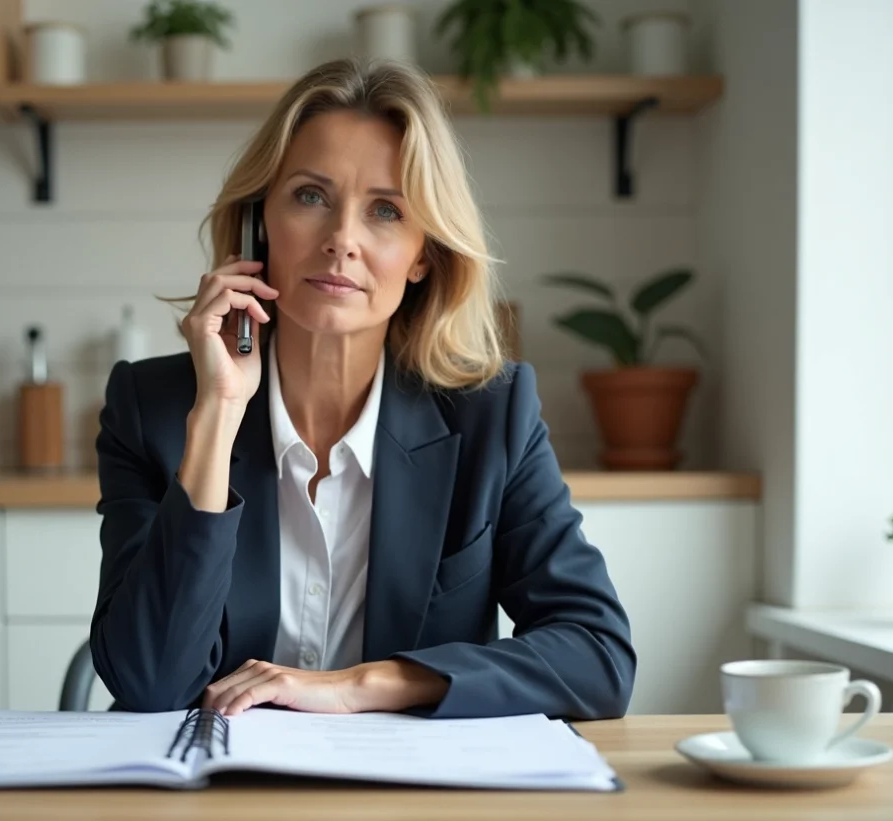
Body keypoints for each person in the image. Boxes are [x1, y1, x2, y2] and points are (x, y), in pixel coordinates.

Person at [91, 57, 635, 720]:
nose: (342, 240)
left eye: (384, 210)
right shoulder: (153, 410)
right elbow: (149, 681)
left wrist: (363, 684)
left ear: (423, 255)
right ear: (263, 218)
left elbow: (598, 656)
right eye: (311, 196)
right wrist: (217, 416)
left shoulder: (493, 415)